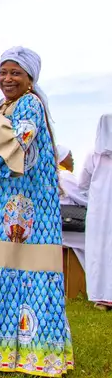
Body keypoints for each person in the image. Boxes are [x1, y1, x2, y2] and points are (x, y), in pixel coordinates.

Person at [0, 46, 73, 376]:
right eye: (3, 72)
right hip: (1, 212)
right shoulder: (5, 106)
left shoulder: (30, 104)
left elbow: (15, 144)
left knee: (32, 278)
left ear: (30, 78)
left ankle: (38, 355)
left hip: (28, 212)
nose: (7, 79)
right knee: (4, 277)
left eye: (15, 72)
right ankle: (1, 351)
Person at [79, 114, 112, 311]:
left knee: (100, 252)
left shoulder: (93, 155)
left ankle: (102, 296)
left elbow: (82, 184)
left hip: (100, 212)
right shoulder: (94, 154)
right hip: (100, 211)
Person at [57, 144, 88, 268]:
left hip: (61, 228)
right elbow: (84, 199)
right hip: (71, 226)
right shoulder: (64, 175)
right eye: (70, 155)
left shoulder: (53, 174)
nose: (72, 159)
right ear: (61, 158)